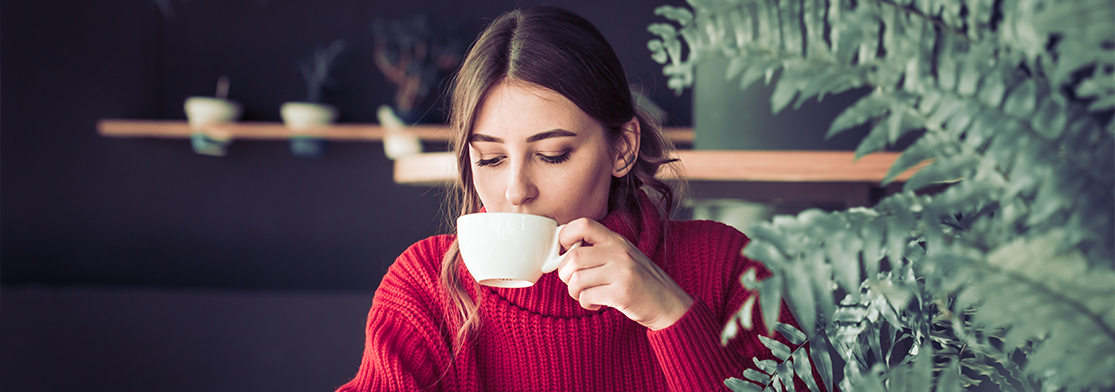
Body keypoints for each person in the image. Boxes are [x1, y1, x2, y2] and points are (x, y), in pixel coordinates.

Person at [337, 6, 817, 392]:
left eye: (552, 154)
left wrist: (672, 317)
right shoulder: (426, 289)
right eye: (489, 159)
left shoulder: (722, 265)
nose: (515, 189)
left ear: (622, 148)